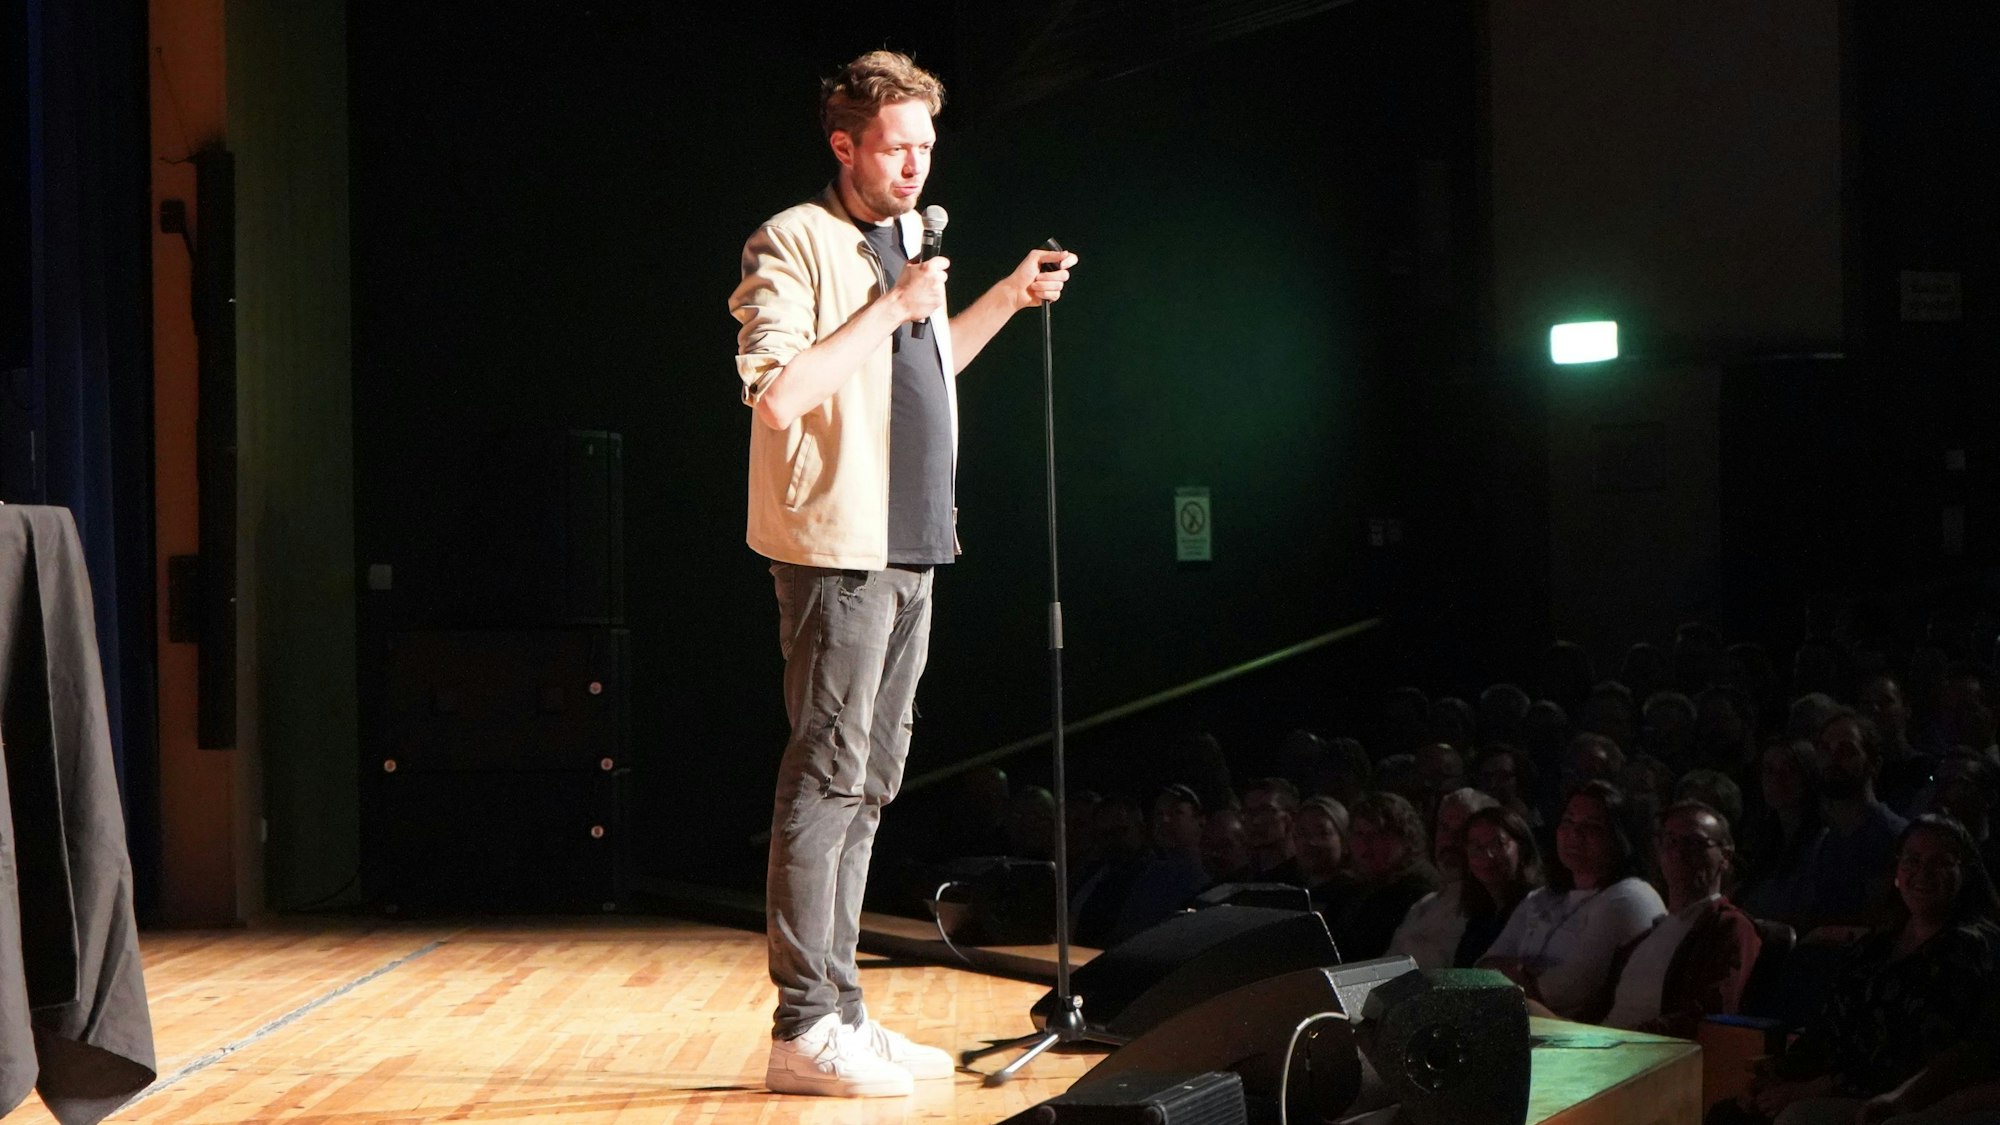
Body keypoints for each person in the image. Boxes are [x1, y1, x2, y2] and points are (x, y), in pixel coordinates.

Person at [732, 49, 1077, 1098]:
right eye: (895, 147)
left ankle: (841, 1011)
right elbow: (782, 393)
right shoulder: (795, 240)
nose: (915, 165)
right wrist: (889, 306)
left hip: (914, 541)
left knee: (872, 784)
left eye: (926, 146)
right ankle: (804, 1025)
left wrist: (1003, 302)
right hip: (839, 552)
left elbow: (922, 375)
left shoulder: (909, 242)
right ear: (845, 145)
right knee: (827, 776)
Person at [1718, 816, 2000, 1125]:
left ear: (1965, 873)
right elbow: (1827, 1027)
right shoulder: (1876, 945)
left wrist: (1815, 1088)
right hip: (1832, 1081)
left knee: (1800, 1119)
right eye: (1912, 860)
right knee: (1730, 1113)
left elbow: (1926, 1056)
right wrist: (1777, 1076)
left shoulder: (1972, 950)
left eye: (1941, 863)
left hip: (1903, 1097)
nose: (1923, 872)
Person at [1479, 781, 1666, 1021]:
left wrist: (1515, 970)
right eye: (1568, 822)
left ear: (1619, 836)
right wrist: (1526, 976)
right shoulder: (1542, 897)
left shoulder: (1629, 896)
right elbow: (1482, 970)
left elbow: (1566, 992)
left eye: (1592, 826)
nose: (1575, 834)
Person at [1602, 801, 1761, 1038]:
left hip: (1650, 1056)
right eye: (1671, 841)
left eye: (1694, 843)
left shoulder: (1729, 927)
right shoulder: (1647, 936)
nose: (1679, 852)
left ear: (1725, 856)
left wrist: (1631, 1036)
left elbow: (1711, 1014)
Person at [1388, 788, 1498, 969]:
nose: (1450, 841)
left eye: (1463, 830)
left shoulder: (1487, 910)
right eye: (1444, 828)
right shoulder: (1424, 904)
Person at [1333, 792, 1439, 961]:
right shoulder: (1352, 890)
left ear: (1406, 838)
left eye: (1379, 833)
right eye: (1359, 833)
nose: (1366, 843)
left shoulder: (1418, 894)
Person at [1455, 806, 1547, 967]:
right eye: (1477, 848)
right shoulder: (1481, 916)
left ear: (1522, 847)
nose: (1488, 855)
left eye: (1498, 844)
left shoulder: (1537, 907)